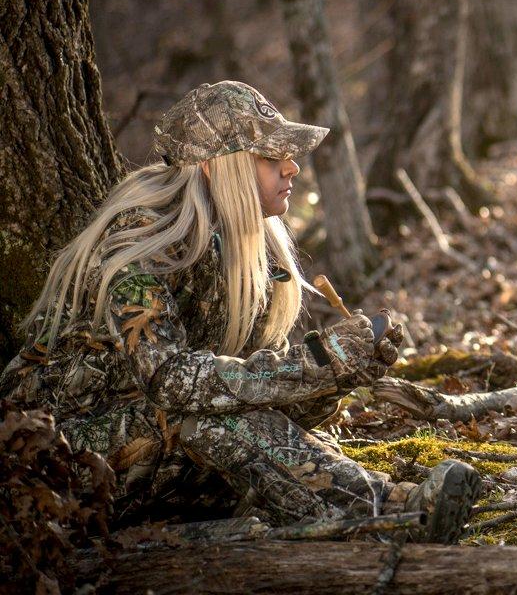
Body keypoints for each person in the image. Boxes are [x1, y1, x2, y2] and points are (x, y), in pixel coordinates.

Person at [0, 81, 481, 542]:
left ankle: (367, 513)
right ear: (218, 168)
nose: (291, 168)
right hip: (57, 470)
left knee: (222, 409)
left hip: (147, 458)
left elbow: (260, 390)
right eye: (272, 157)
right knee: (206, 412)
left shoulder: (239, 249)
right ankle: (393, 514)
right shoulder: (144, 245)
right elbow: (172, 381)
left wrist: (341, 373)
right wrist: (319, 361)